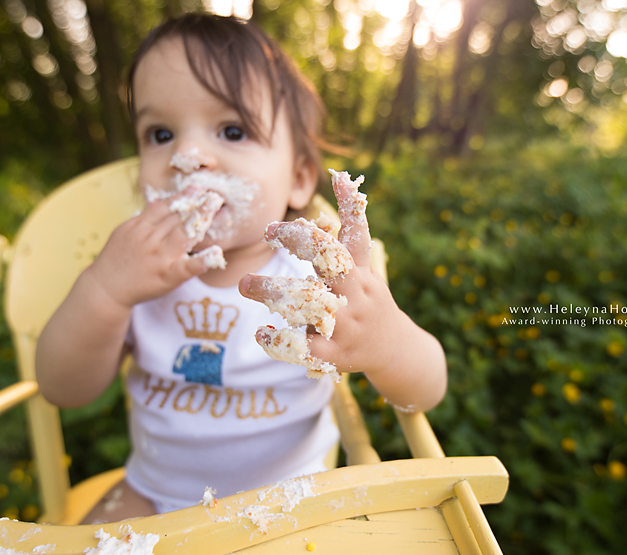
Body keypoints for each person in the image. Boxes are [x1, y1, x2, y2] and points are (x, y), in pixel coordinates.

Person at [35, 13, 446, 524]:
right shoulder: (133, 276)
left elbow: (428, 389)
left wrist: (386, 344)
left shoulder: (317, 277)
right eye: (160, 133)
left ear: (298, 179)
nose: (187, 157)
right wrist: (104, 292)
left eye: (231, 130)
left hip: (290, 503)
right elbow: (62, 389)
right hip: (156, 495)